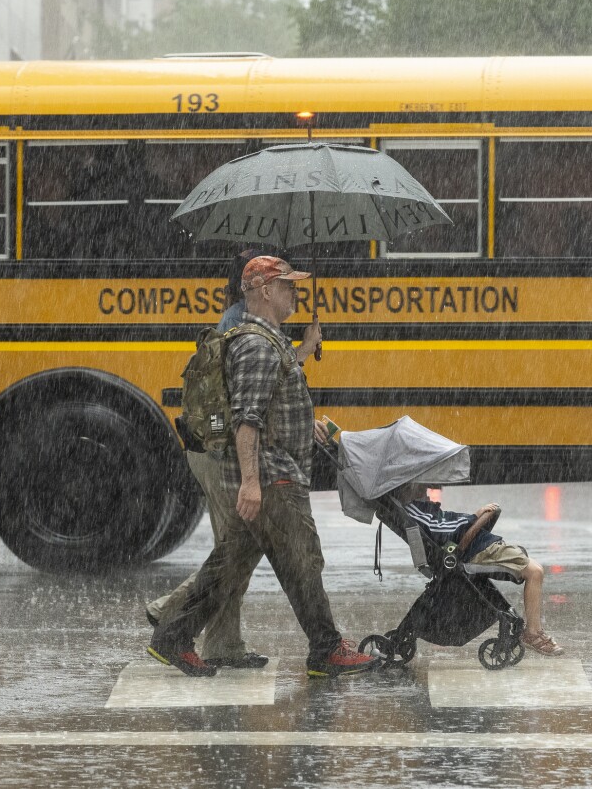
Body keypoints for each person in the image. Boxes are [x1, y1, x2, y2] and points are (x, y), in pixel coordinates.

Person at [148, 256, 380, 678]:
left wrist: (306, 350)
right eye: (289, 286)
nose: (296, 293)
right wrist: (251, 483)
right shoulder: (256, 346)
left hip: (274, 472)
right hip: (273, 476)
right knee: (303, 561)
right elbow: (247, 419)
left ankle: (173, 637)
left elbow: (272, 402)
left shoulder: (269, 341)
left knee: (230, 564)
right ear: (265, 291)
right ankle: (326, 649)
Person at [145, 248, 277, 669]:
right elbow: (249, 395)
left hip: (209, 449)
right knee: (237, 549)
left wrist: (304, 349)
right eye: (281, 282)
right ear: (257, 286)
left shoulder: (239, 318)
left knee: (236, 549)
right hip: (221, 455)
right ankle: (172, 610)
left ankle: (222, 643)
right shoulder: (242, 325)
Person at [388, 486, 564, 656]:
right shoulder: (413, 510)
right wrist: (474, 517)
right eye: (420, 485)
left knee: (535, 570)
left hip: (482, 545)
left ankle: (532, 630)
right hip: (476, 551)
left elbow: (448, 523)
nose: (426, 489)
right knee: (534, 572)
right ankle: (532, 633)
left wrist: (475, 518)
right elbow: (442, 529)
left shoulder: (423, 507)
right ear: (405, 489)